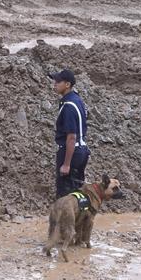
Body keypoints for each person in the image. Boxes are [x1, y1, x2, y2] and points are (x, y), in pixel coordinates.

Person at [51, 69, 90, 199]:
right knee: (77, 193)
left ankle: (68, 219)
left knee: (66, 197)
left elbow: (71, 137)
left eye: (58, 81)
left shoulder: (68, 106)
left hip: (72, 152)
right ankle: (80, 218)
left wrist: (66, 164)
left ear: (67, 84)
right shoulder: (76, 99)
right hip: (81, 150)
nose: (54, 84)